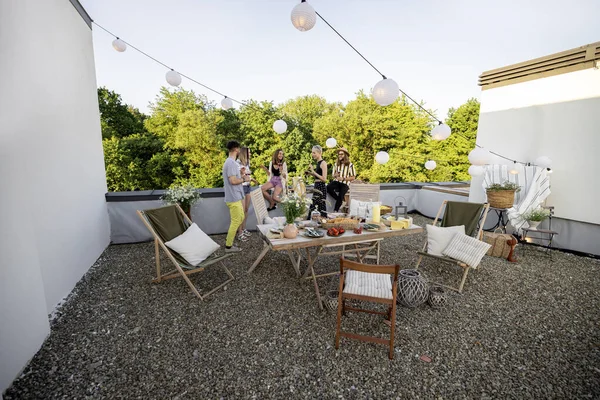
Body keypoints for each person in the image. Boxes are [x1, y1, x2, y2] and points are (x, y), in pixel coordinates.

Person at [222, 140, 250, 253]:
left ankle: (230, 237)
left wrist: (242, 174)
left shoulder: (231, 163)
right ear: (236, 149)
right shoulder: (231, 163)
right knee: (236, 221)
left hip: (236, 196)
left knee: (241, 217)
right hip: (233, 198)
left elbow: (234, 177)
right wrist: (244, 179)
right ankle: (228, 246)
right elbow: (233, 181)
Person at [236, 147, 258, 242]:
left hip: (248, 187)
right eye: (249, 152)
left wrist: (252, 179)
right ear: (244, 153)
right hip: (241, 188)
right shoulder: (237, 163)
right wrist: (242, 174)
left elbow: (247, 175)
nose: (250, 154)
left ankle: (243, 229)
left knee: (246, 210)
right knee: (241, 212)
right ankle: (239, 233)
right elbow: (236, 177)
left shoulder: (247, 163)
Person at [327, 147, 356, 212]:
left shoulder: (350, 165)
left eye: (341, 154)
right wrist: (335, 175)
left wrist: (343, 178)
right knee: (328, 187)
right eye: (339, 154)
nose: (340, 155)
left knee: (341, 194)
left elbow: (353, 177)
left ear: (345, 155)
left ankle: (335, 211)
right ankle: (342, 201)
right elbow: (333, 175)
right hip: (337, 182)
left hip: (345, 183)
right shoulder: (336, 164)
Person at [305, 145, 328, 218]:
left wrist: (313, 171)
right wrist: (310, 173)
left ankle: (322, 223)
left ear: (319, 153)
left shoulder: (323, 163)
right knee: (314, 206)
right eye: (312, 153)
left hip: (321, 187)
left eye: (314, 153)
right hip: (317, 186)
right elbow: (318, 176)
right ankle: (312, 223)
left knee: (320, 206)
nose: (312, 154)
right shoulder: (318, 163)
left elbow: (324, 179)